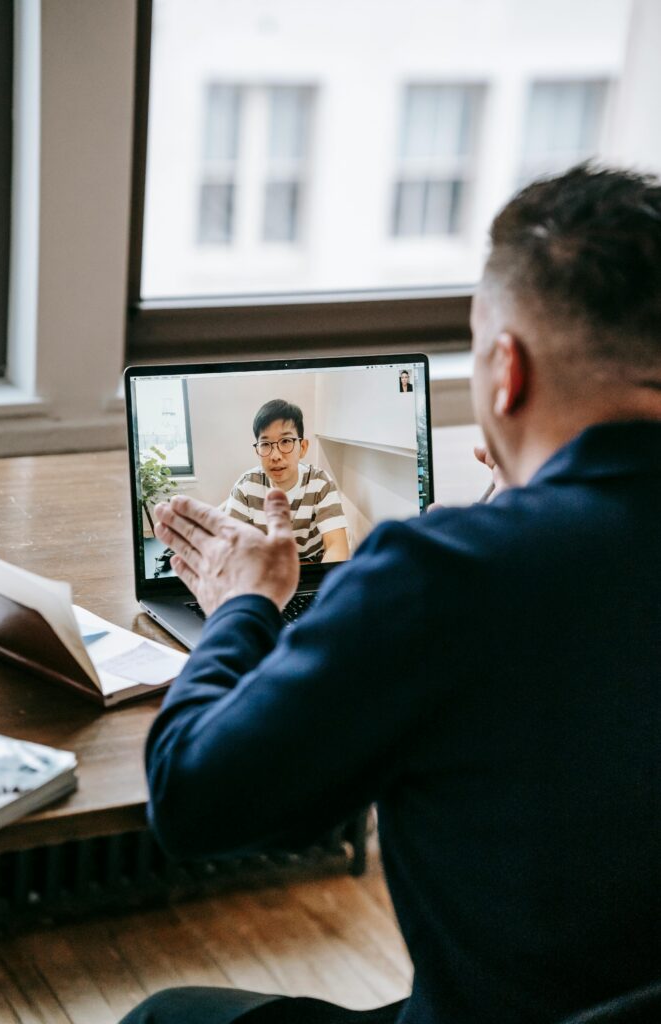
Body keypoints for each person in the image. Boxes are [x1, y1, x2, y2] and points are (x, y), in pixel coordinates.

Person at [121, 165, 661, 1024]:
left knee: (166, 1016)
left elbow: (193, 800)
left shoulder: (439, 577)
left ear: (504, 372)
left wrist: (240, 606)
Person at [226, 399, 350, 563]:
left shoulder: (320, 483)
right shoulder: (246, 488)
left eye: (285, 441)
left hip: (309, 572)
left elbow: (337, 547)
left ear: (303, 447)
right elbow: (231, 550)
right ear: (257, 450)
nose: (275, 456)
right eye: (265, 444)